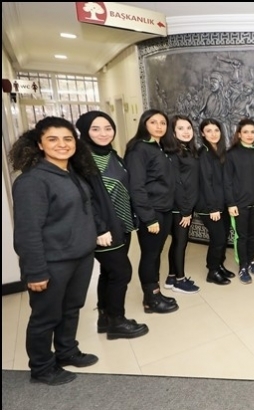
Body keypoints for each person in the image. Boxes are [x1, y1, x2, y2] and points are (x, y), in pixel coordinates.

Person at [11, 116, 100, 385]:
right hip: (52, 262)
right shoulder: (32, 181)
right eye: (52, 139)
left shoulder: (72, 173)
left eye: (67, 139)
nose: (62, 144)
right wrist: (35, 272)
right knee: (45, 316)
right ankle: (41, 367)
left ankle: (67, 351)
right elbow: (27, 231)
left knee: (71, 308)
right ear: (39, 144)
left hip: (80, 257)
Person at [76, 111, 149, 339]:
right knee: (121, 273)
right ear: (85, 131)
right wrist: (100, 228)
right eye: (95, 129)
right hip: (106, 228)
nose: (103, 133)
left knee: (109, 272)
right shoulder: (82, 160)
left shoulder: (111, 154)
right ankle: (117, 321)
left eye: (108, 128)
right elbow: (86, 198)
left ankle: (105, 317)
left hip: (121, 224)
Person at [125, 109, 180, 314]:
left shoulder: (159, 147)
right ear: (144, 124)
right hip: (152, 211)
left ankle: (154, 294)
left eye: (162, 123)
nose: (159, 126)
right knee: (150, 255)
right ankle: (151, 299)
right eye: (153, 122)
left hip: (164, 209)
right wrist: (148, 218)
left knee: (156, 253)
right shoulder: (139, 149)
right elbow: (136, 186)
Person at [225, 118, 254, 283]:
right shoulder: (232, 154)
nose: (250, 135)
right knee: (242, 236)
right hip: (239, 204)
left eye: (252, 132)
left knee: (252, 235)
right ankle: (243, 266)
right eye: (245, 132)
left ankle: (251, 261)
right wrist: (231, 204)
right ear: (239, 134)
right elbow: (227, 181)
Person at [164, 115, 201, 294]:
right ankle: (180, 280)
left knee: (177, 242)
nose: (186, 132)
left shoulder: (186, 150)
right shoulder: (174, 154)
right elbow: (177, 184)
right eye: (180, 128)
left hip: (184, 206)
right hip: (180, 207)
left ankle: (172, 276)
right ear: (173, 132)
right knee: (181, 243)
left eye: (188, 128)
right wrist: (186, 211)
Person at [197, 118, 234, 285]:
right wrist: (213, 208)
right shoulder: (203, 154)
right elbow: (206, 183)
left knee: (223, 237)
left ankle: (219, 265)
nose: (213, 134)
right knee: (218, 238)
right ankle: (212, 271)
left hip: (222, 203)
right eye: (209, 131)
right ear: (202, 134)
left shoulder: (220, 152)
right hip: (209, 206)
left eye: (216, 130)